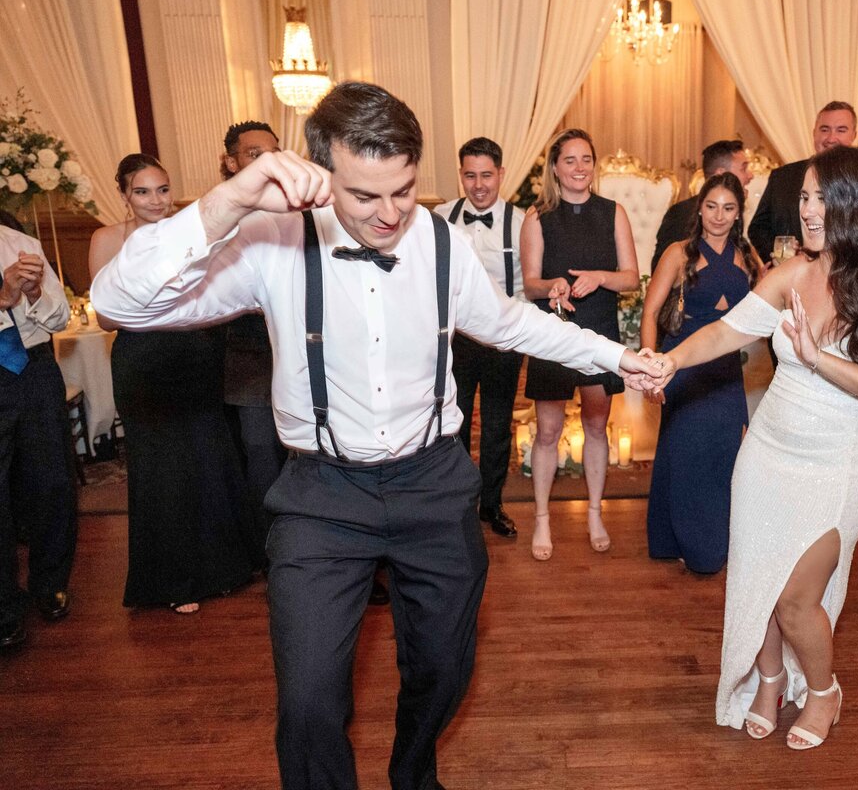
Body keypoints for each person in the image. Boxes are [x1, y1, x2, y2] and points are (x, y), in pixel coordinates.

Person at [90, 82, 660, 790]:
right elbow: (119, 303)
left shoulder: (442, 241)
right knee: (306, 702)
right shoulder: (270, 241)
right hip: (321, 496)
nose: (391, 215)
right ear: (320, 173)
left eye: (404, 190)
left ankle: (413, 772)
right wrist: (228, 201)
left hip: (433, 483)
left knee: (445, 667)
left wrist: (616, 356)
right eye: (365, 197)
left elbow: (512, 322)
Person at [647, 146, 858, 748]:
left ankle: (823, 692)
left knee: (797, 595)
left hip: (839, 460)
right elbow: (725, 332)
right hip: (769, 451)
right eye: (803, 196)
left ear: (856, 204)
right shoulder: (791, 274)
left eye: (820, 197)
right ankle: (770, 682)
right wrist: (666, 362)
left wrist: (817, 360)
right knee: (759, 575)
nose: (806, 209)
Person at [89, 153, 255, 615]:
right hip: (143, 362)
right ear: (124, 194)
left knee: (209, 455)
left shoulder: (190, 229)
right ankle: (173, 580)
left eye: (162, 189)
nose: (155, 200)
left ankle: (225, 570)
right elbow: (104, 316)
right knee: (161, 469)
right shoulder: (108, 239)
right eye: (142, 191)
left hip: (196, 353)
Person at [520, 128, 641, 561]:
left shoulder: (613, 212)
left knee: (595, 425)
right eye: (569, 160)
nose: (578, 167)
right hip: (553, 332)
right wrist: (551, 284)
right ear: (555, 167)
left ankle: (594, 512)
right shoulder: (536, 216)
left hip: (598, 328)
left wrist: (600, 278)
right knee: (549, 430)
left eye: (586, 159)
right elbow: (529, 285)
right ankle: (541, 519)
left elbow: (630, 277)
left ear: (594, 165)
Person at [641, 173, 763, 573]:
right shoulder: (678, 253)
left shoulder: (748, 254)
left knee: (725, 454)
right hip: (685, 363)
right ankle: (689, 543)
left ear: (739, 213)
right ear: (700, 207)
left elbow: (764, 308)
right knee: (686, 453)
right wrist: (649, 365)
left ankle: (712, 537)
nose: (718, 216)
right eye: (711, 206)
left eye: (729, 208)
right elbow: (650, 312)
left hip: (727, 368)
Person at [434, 137, 525, 539]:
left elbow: (526, 287)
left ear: (501, 174)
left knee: (497, 426)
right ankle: (456, 507)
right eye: (470, 175)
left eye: (486, 175)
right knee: (453, 424)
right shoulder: (440, 216)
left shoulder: (523, 222)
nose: (479, 185)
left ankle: (492, 504)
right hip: (456, 340)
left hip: (502, 340)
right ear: (461, 176)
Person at [0, 223, 75, 650]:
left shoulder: (20, 242)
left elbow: (59, 317)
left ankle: (50, 584)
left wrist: (33, 296)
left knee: (52, 481)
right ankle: (4, 607)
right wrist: (3, 299)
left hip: (35, 368)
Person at [220, 121, 286, 570]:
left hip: (302, 357)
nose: (265, 162)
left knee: (313, 460)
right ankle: (272, 560)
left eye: (273, 153)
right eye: (253, 154)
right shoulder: (220, 216)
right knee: (261, 458)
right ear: (231, 162)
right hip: (249, 362)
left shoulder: (296, 210)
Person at [747, 101, 858, 262]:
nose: (831, 138)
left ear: (854, 135)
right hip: (790, 277)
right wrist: (780, 258)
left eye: (841, 130)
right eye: (824, 129)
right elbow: (758, 228)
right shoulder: (783, 177)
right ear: (814, 133)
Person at [651, 139, 752, 272]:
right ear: (721, 175)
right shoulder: (682, 213)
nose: (750, 175)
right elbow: (661, 269)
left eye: (729, 208)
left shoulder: (736, 224)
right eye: (743, 169)